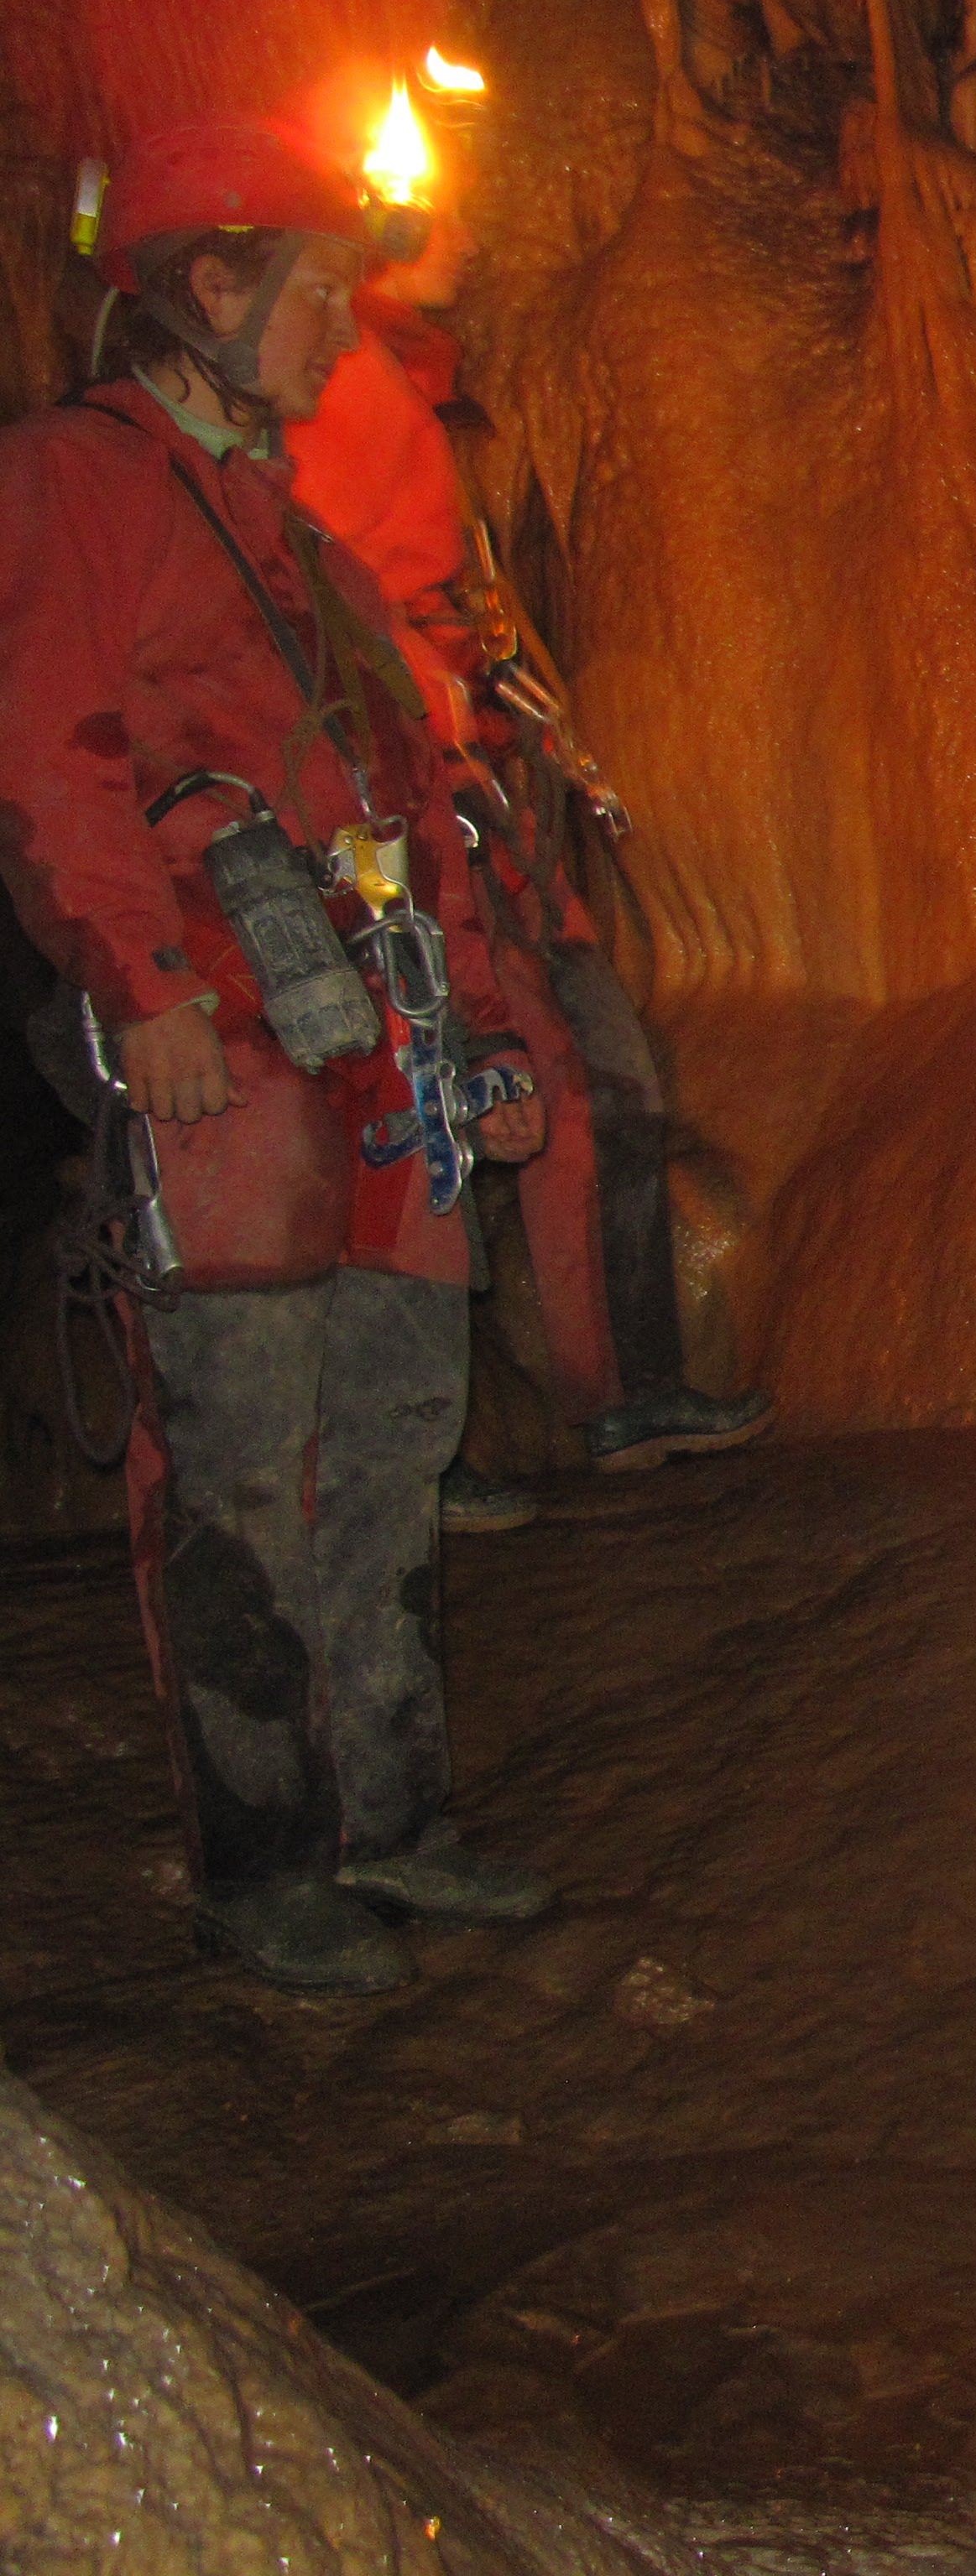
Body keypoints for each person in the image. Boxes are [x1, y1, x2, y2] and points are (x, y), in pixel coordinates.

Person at [0, 119, 556, 1994]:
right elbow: (50, 747)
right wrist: (141, 983)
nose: (346, 336)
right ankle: (262, 1858)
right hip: (225, 1042)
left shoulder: (295, 541)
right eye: (322, 292)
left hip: (377, 1043)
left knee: (398, 1429)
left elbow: (410, 788)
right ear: (210, 285)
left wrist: (477, 1022)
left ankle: (393, 1824)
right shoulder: (81, 479)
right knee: (246, 1448)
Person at [284, 143, 772, 1522]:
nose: (457, 230)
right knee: (433, 1106)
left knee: (607, 1078)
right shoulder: (329, 394)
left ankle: (621, 1391)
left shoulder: (414, 403)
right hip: (398, 811)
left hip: (484, 805)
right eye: (420, 214)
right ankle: (402, 1455)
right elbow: (313, 589)